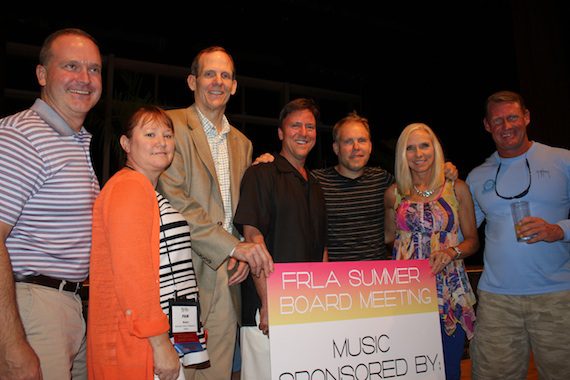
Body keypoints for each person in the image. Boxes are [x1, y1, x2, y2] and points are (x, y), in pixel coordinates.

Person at [157, 46, 274, 380]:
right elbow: (175, 199)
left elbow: (236, 210)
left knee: (217, 372)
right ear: (192, 80)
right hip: (179, 275)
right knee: (175, 371)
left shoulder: (243, 143)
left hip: (227, 279)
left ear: (234, 86)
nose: (218, 81)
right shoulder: (171, 126)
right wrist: (233, 247)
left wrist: (237, 248)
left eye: (225, 75)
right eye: (209, 73)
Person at [0, 28, 102, 380]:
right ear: (42, 74)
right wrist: (12, 344)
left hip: (67, 307)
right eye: (71, 66)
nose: (85, 79)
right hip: (31, 306)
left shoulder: (73, 141)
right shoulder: (21, 136)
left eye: (94, 69)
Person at [87, 106, 209, 379]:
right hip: (137, 343)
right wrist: (158, 341)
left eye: (167, 135)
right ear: (126, 143)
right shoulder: (129, 188)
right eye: (150, 134)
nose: (161, 142)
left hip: (150, 336)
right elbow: (133, 275)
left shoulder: (144, 188)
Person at [254, 111, 457, 261]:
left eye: (362, 140)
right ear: (336, 148)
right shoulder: (315, 182)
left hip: (378, 278)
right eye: (348, 141)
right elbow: (282, 185)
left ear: (370, 146)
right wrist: (269, 161)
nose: (356, 147)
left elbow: (420, 180)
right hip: (333, 280)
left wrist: (445, 168)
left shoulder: (385, 181)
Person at [466, 90, 570, 379]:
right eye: (497, 120)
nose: (506, 126)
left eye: (512, 117)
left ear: (526, 117)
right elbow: (461, 229)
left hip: (558, 296)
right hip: (498, 300)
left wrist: (558, 229)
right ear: (487, 125)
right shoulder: (476, 176)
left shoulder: (563, 160)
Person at [233, 98, 327, 379]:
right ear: (281, 132)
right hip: (268, 310)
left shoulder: (316, 185)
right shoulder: (261, 173)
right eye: (295, 125)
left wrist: (325, 301)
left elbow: (321, 249)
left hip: (307, 308)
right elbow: (252, 238)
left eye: (309, 126)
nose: (303, 132)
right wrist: (268, 302)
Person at [384, 122, 479, 380]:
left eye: (424, 145)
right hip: (408, 295)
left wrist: (450, 252)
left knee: (448, 369)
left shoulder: (456, 188)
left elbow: (472, 240)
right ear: (403, 155)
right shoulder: (395, 194)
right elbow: (389, 239)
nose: (418, 154)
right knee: (411, 370)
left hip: (449, 292)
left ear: (435, 149)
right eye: (410, 148)